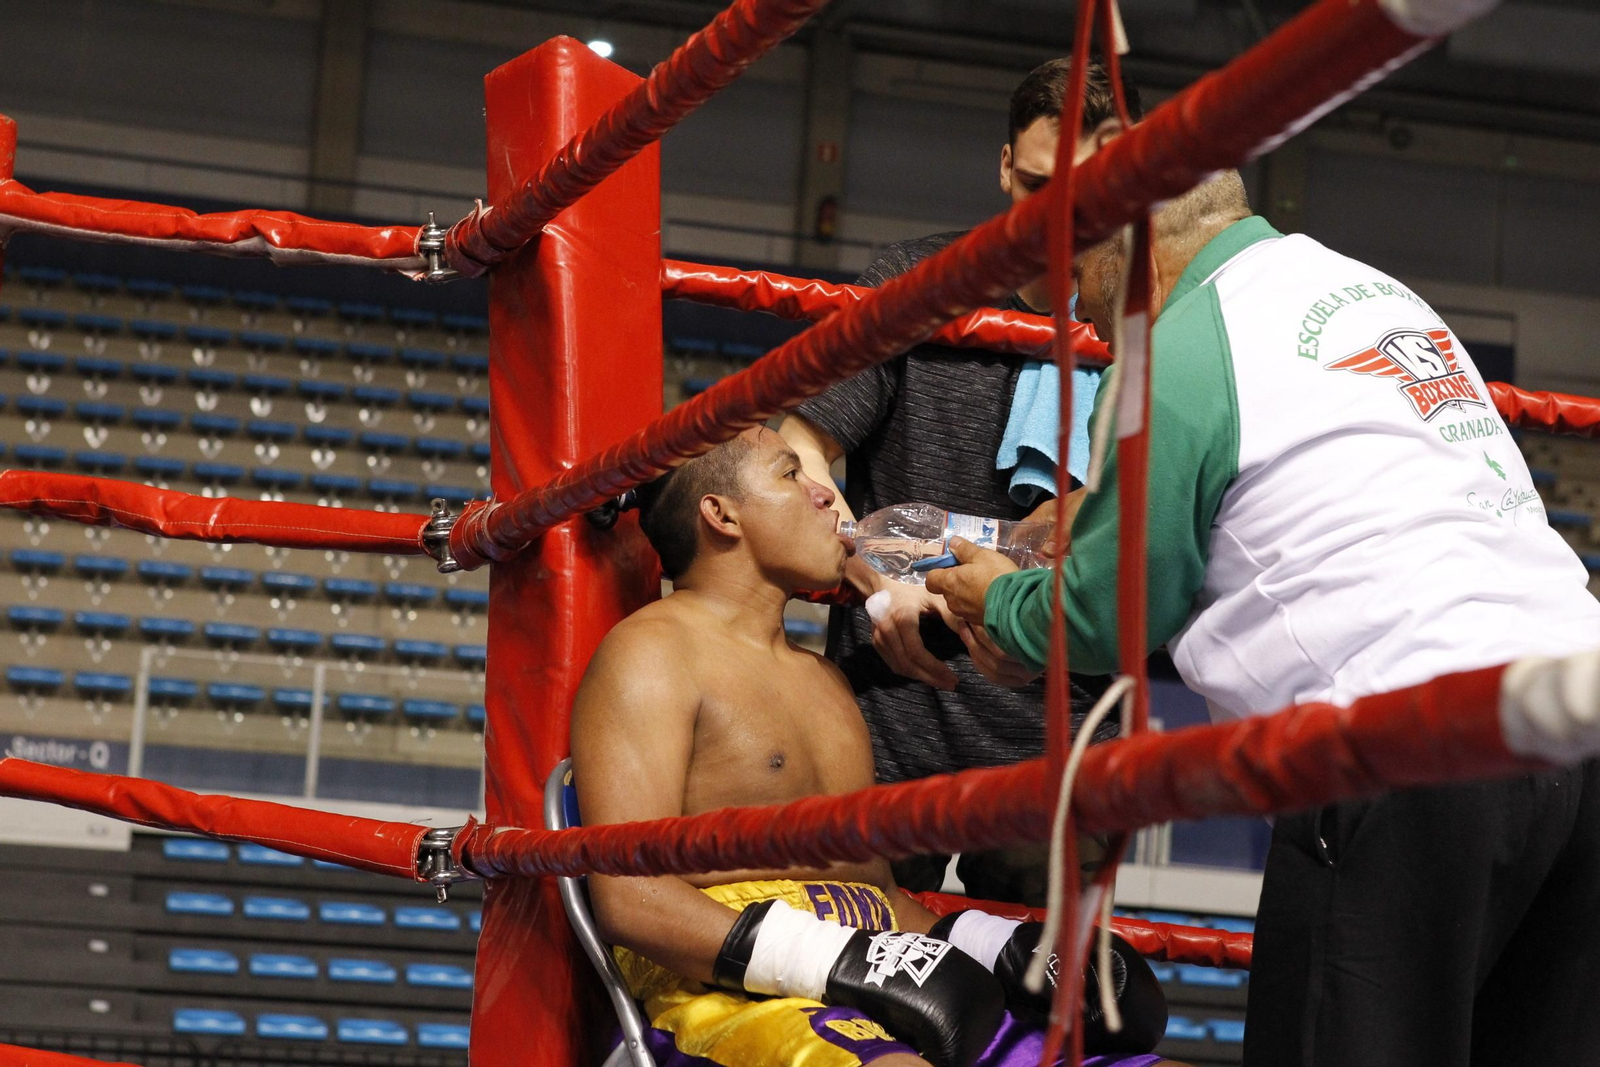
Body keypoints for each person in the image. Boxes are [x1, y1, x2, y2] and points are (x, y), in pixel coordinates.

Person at [925, 162, 1600, 1067]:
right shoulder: (1370, 292)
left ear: (1127, 244)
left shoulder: (1178, 350)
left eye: (1081, 279)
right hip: (1575, 719)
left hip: (1405, 736)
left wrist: (997, 603)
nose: (1083, 320)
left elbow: (1106, 613)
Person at [570, 428, 1176, 1067]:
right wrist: (836, 961)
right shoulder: (651, 653)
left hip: (869, 973)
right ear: (721, 515)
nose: (828, 497)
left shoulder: (825, 680)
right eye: (790, 476)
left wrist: (997, 944)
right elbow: (630, 899)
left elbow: (875, 894)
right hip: (725, 993)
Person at [778, 57, 1142, 903]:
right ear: (1006, 166)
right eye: (1040, 184)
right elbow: (790, 457)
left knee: (1038, 1018)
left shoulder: (1156, 328)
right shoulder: (916, 282)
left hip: (1059, 759)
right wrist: (869, 575)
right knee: (859, 1006)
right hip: (884, 726)